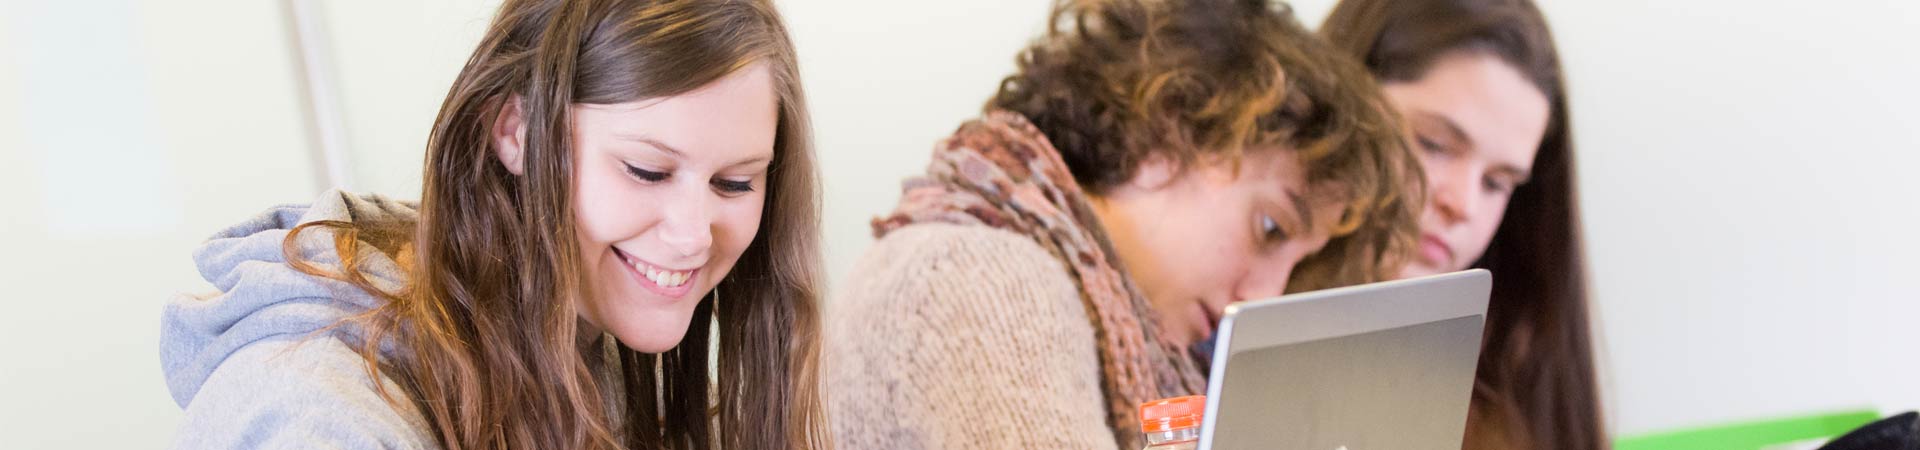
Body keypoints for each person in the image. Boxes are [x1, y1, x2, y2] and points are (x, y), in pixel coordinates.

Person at [158, 0, 828, 448]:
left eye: (735, 183)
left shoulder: (585, 352)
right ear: (515, 130)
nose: (692, 233)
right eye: (646, 172)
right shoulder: (317, 414)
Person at [823, 0, 1421, 448]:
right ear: (1168, 124)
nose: (1264, 292)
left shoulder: (1071, 300)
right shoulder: (983, 278)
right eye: (1270, 229)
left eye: (1293, 263)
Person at [1320, 0, 1604, 448]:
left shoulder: (1509, 395)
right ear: (1338, 98)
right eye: (1434, 144)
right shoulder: (1201, 333)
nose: (1464, 204)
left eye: (1496, 183)